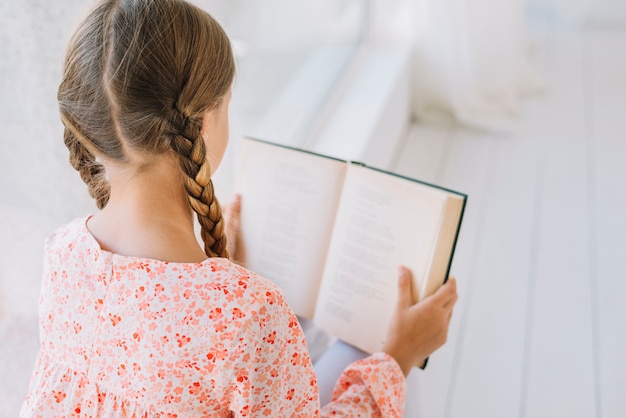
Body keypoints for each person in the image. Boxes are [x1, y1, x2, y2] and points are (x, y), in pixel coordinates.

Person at [20, 0, 458, 416]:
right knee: (364, 354)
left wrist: (218, 269)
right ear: (207, 120)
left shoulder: (63, 254)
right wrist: (399, 357)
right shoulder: (249, 313)